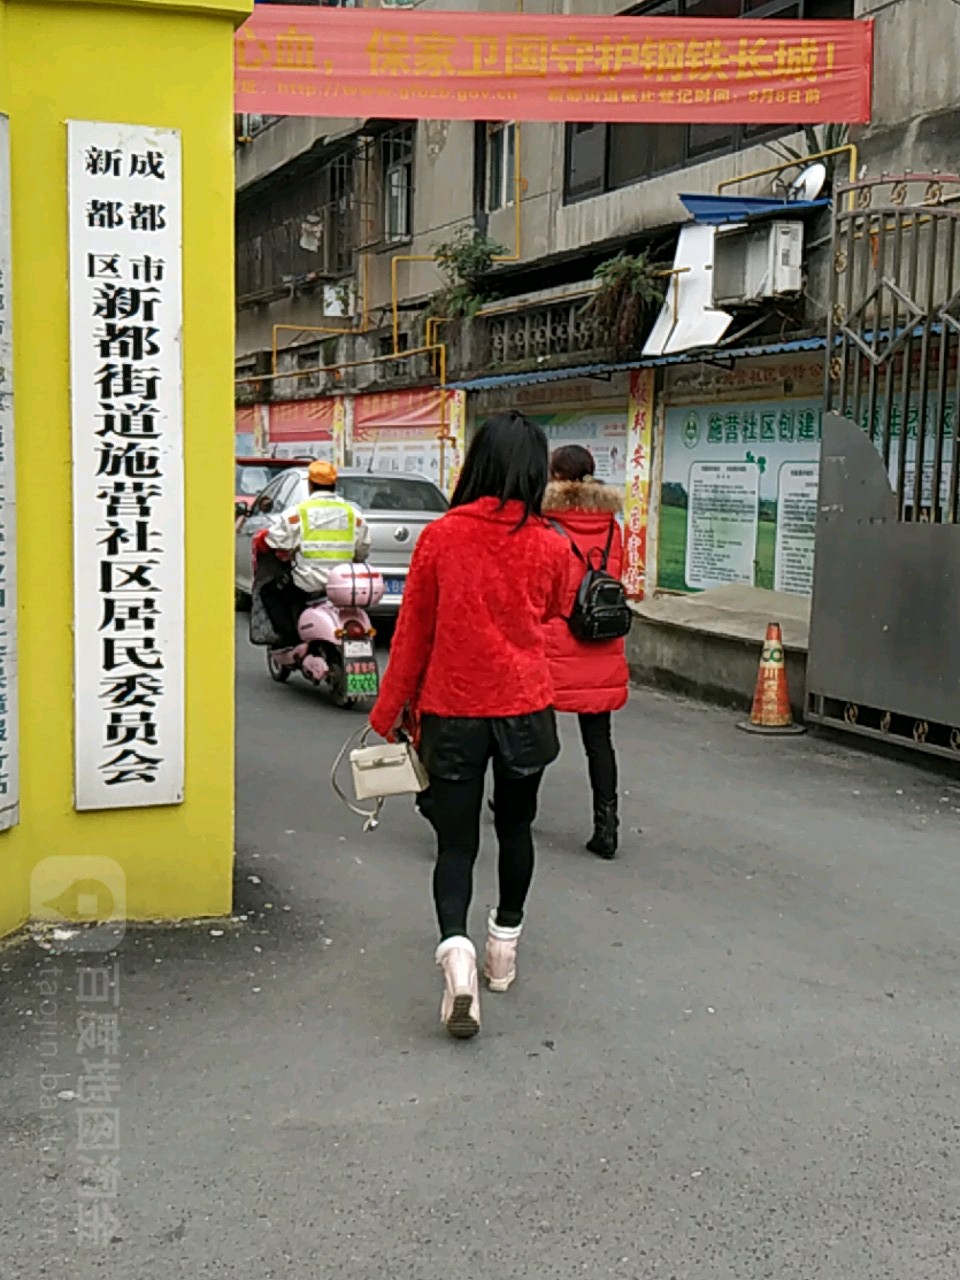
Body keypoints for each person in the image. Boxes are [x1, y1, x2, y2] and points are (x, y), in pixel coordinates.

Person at [368, 412, 572, 1040]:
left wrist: (388, 712)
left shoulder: (441, 538)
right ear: (535, 470)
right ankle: (502, 950)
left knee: (454, 846)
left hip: (452, 710)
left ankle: (456, 957)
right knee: (516, 826)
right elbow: (559, 610)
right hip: (524, 708)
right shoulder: (551, 543)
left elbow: (412, 637)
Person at [542, 444, 629, 860]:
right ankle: (607, 825)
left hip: (557, 640)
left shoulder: (546, 526)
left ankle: (516, 808)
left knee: (536, 732)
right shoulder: (614, 525)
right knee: (600, 741)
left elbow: (547, 588)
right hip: (602, 636)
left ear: (556, 476)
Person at [253, 459, 371, 646]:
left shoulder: (299, 513)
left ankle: (290, 640)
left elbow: (275, 540)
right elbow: (363, 550)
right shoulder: (352, 514)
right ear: (334, 485)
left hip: (307, 583)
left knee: (270, 592)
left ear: (310, 485)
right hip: (343, 585)